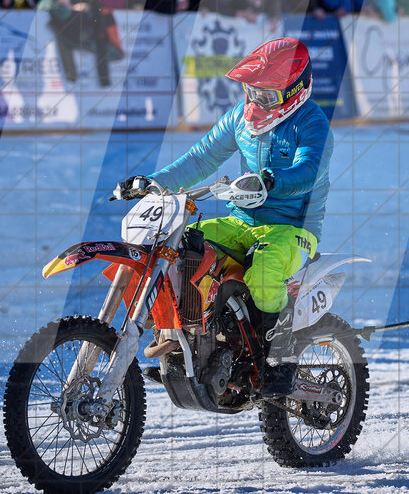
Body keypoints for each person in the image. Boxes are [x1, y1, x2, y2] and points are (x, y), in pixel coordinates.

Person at [117, 38, 332, 399]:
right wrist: (155, 184)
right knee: (181, 244)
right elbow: (201, 158)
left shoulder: (312, 123)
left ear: (294, 90)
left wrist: (272, 181)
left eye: (265, 95)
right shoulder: (240, 116)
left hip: (293, 228)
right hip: (241, 220)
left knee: (263, 271)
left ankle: (278, 358)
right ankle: (179, 335)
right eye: (251, 91)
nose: (255, 101)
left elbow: (309, 171)